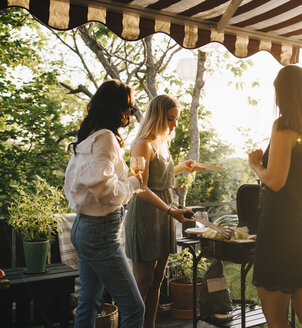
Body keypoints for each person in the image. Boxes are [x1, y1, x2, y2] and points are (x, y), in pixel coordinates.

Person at [248, 65, 302, 328]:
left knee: (275, 314)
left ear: (282, 92)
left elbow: (276, 181)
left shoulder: (284, 125)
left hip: (282, 232)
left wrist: (256, 165)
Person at [64, 79, 145, 327]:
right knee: (134, 308)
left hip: (83, 227)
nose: (130, 113)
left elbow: (76, 183)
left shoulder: (88, 137)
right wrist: (132, 183)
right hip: (99, 233)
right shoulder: (106, 139)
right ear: (117, 107)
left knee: (88, 303)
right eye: (129, 107)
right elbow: (104, 189)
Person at [124, 94, 202, 328]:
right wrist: (170, 210)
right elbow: (140, 187)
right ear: (157, 116)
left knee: (158, 282)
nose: (174, 124)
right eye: (170, 119)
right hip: (148, 214)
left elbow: (160, 178)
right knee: (143, 283)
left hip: (165, 212)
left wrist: (180, 168)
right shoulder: (142, 144)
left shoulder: (161, 143)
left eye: (176, 119)